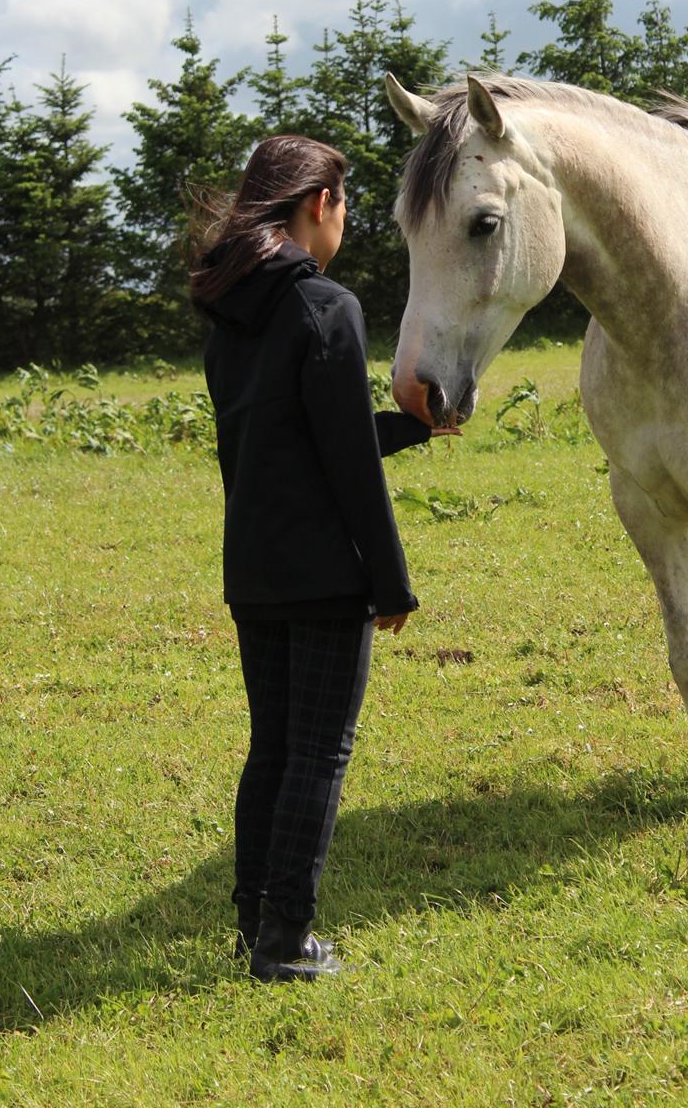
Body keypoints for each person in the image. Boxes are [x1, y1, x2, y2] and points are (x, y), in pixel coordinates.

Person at [190, 134, 454, 982]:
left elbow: (310, 440)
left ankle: (251, 927)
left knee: (271, 748)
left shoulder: (227, 311)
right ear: (319, 204)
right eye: (344, 202)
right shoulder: (324, 308)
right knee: (318, 755)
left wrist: (414, 426)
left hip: (254, 569)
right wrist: (391, 581)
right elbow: (342, 465)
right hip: (327, 574)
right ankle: (287, 941)